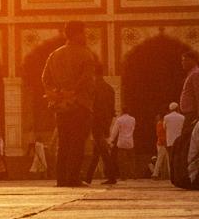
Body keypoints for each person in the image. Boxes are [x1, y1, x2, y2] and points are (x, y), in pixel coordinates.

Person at [41, 21, 98, 187]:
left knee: (63, 143)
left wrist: (57, 93)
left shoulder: (54, 54)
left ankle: (61, 179)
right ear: (76, 34)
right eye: (83, 33)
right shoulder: (86, 54)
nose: (85, 36)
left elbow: (45, 78)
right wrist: (73, 91)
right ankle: (72, 178)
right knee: (77, 143)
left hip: (61, 105)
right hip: (80, 104)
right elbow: (86, 79)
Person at [83, 64, 116, 185]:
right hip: (105, 121)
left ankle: (112, 176)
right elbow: (112, 109)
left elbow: (90, 106)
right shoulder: (109, 88)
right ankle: (88, 177)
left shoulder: (93, 87)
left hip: (96, 121)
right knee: (97, 151)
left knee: (102, 150)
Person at [178, 51, 199, 122]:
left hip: (192, 113)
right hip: (189, 112)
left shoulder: (196, 74)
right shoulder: (192, 73)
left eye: (184, 60)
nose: (182, 63)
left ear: (192, 60)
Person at [112, 107, 136, 180]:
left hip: (121, 142)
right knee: (131, 160)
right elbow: (133, 129)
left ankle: (123, 176)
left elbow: (114, 131)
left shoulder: (119, 120)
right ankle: (133, 174)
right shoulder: (133, 119)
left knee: (121, 160)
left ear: (122, 111)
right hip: (130, 142)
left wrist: (111, 140)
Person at [151, 113, 169, 179]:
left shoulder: (160, 123)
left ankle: (157, 174)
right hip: (162, 143)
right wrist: (164, 142)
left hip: (163, 143)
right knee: (161, 159)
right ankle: (156, 174)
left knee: (161, 159)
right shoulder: (160, 123)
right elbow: (160, 134)